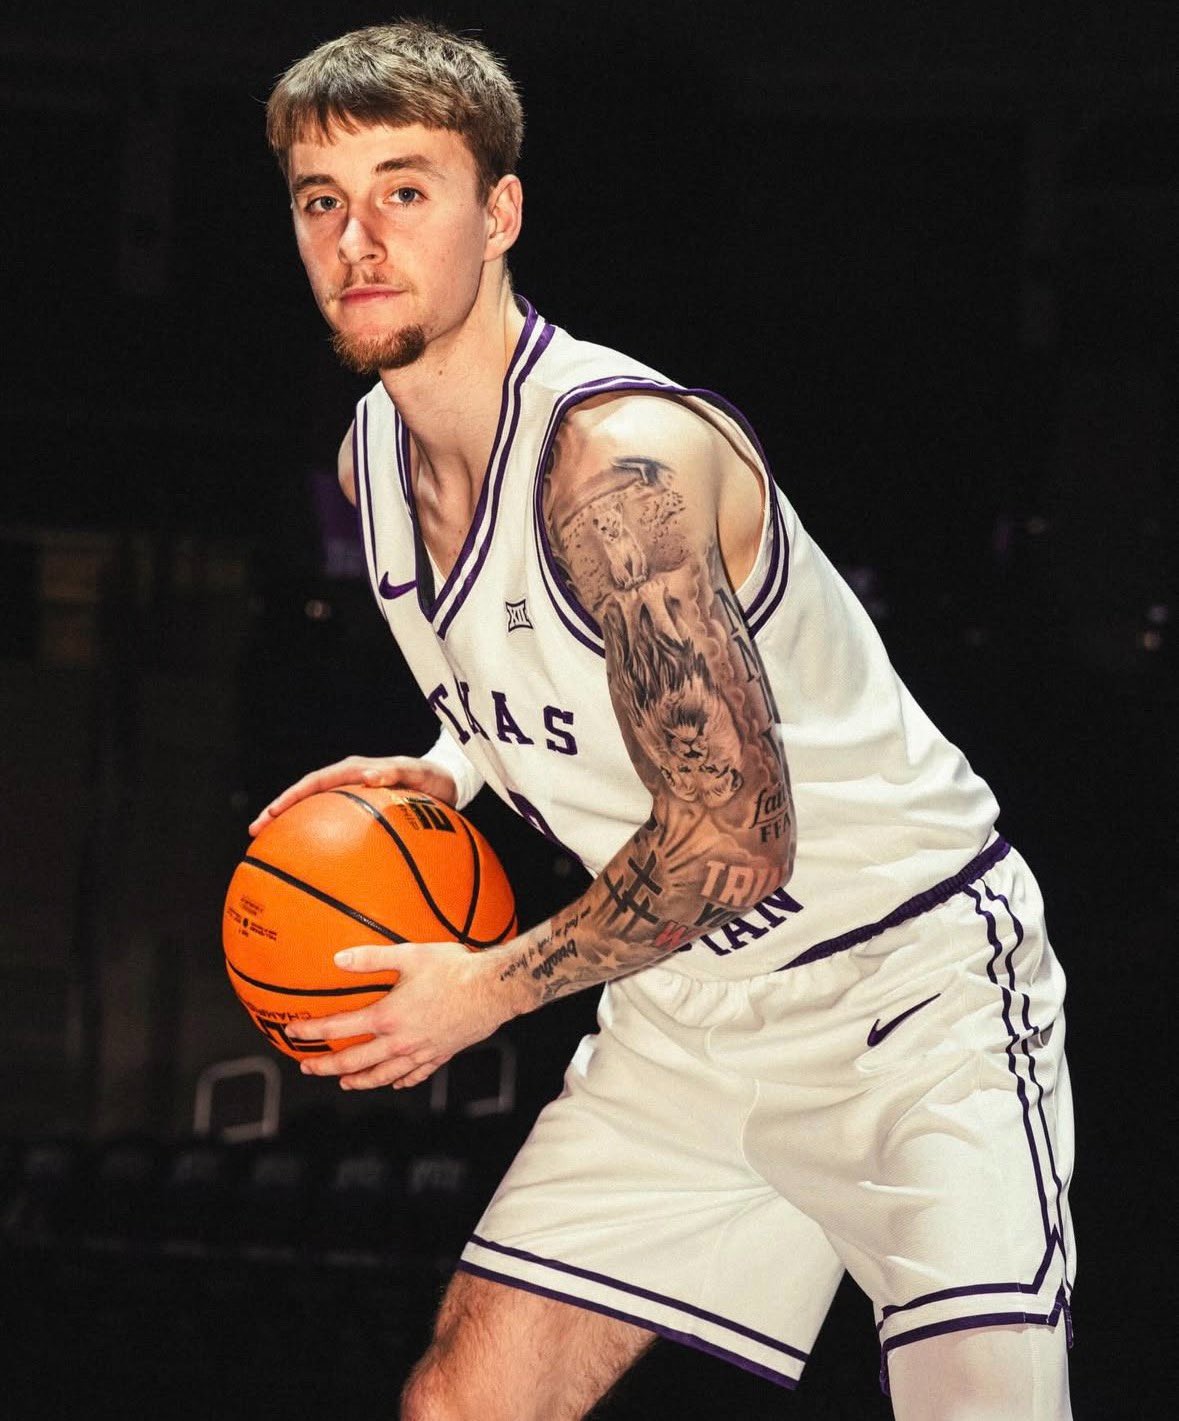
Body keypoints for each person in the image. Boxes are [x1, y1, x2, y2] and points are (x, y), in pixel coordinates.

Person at [254, 20, 1075, 1420]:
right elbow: (545, 675)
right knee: (463, 1404)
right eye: (321, 199)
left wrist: (482, 989)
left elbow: (734, 841)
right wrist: (453, 765)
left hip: (909, 995)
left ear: (499, 214)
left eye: (406, 190)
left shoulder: (618, 465)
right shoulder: (372, 467)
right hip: (689, 1013)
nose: (358, 240)